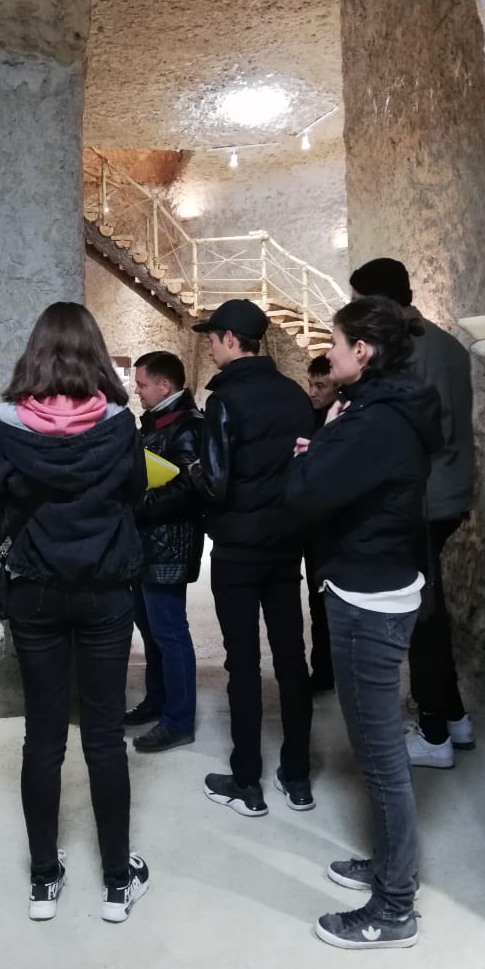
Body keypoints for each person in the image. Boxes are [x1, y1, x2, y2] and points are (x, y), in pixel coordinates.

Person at [0, 301, 150, 924]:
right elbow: (136, 492)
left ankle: (44, 880)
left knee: (43, 735)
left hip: (36, 591)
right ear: (94, 354)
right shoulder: (119, 426)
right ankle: (116, 884)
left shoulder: (5, 427)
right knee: (104, 735)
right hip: (105, 589)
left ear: (36, 353)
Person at [284, 295, 442, 949]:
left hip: (369, 598)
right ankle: (389, 865)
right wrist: (326, 445)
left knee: (379, 758)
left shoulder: (372, 420)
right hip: (381, 580)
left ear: (363, 351)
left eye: (335, 343)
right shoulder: (386, 407)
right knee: (377, 751)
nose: (328, 354)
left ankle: (395, 907)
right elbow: (351, 479)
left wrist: (314, 453)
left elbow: (301, 496)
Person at [189, 298, 315, 817]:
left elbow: (215, 483)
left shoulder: (224, 401)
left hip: (239, 550)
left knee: (242, 664)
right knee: (291, 659)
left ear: (231, 339)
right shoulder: (295, 394)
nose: (210, 348)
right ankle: (298, 776)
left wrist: (191, 472)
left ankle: (247, 782)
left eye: (212, 339)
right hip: (285, 544)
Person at [350, 258, 475, 768]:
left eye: (358, 302)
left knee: (419, 615)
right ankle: (456, 718)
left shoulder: (404, 350)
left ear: (377, 302)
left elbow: (403, 433)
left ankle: (433, 732)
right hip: (450, 492)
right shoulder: (447, 343)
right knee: (432, 607)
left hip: (422, 497)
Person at [127, 351, 204, 753]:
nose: (137, 392)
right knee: (152, 632)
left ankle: (178, 721)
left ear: (164, 385)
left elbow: (186, 489)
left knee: (171, 635)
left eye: (141, 385)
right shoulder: (157, 421)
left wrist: (133, 504)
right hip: (147, 545)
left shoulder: (187, 426)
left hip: (169, 546)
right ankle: (157, 701)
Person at [305, 354, 336, 693]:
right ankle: (323, 671)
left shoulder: (344, 419)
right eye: (311, 384)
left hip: (335, 525)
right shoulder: (307, 416)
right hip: (312, 523)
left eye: (321, 386)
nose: (313, 392)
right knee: (317, 602)